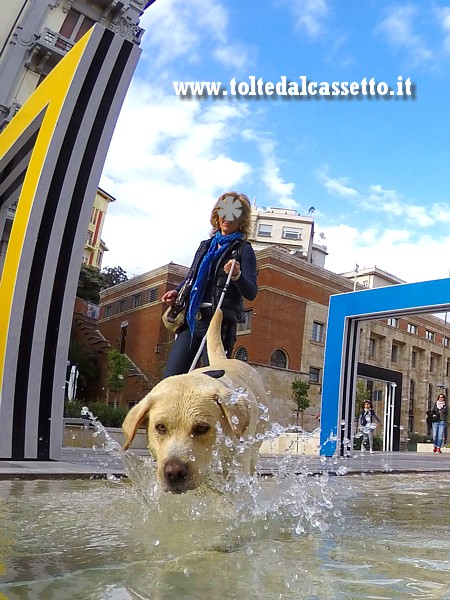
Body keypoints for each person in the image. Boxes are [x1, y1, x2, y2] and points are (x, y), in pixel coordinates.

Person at [162, 191, 258, 378]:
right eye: (225, 212)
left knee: (214, 380)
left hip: (218, 324)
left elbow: (251, 292)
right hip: (192, 320)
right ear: (217, 214)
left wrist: (237, 275)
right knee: (171, 377)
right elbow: (193, 276)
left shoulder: (243, 250)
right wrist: (177, 291)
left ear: (241, 220)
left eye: (234, 214)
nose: (228, 219)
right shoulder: (206, 246)